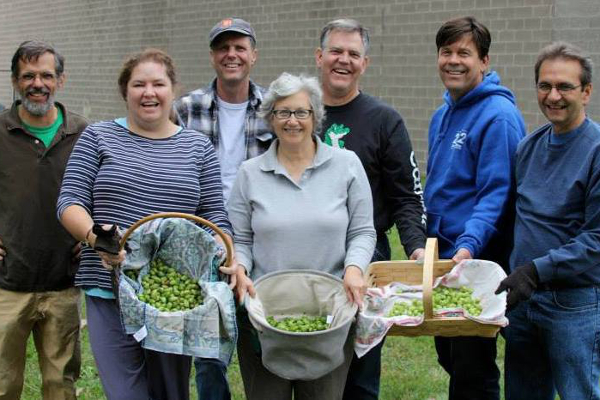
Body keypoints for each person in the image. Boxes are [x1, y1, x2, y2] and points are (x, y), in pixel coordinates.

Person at [57, 49, 235, 400]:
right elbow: (69, 202)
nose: (148, 92)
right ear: (125, 91)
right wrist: (98, 238)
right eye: (139, 84)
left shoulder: (197, 148)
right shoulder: (98, 137)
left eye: (158, 83)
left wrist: (232, 256)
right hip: (109, 288)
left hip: (173, 298)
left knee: (171, 391)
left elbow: (215, 214)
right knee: (124, 393)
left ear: (173, 90)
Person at [230, 72, 376, 400]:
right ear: (270, 118)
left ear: (315, 116)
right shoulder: (250, 173)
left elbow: (363, 230)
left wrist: (354, 268)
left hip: (330, 312)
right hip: (265, 316)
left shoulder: (347, 165)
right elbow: (240, 238)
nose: (292, 121)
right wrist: (239, 266)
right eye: (282, 112)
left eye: (301, 112)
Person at [314, 18, 427, 400]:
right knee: (310, 360)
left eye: (353, 54)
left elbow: (406, 196)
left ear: (365, 63)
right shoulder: (297, 116)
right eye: (336, 51)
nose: (343, 60)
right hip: (304, 252)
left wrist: (416, 247)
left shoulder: (384, 121)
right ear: (319, 57)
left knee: (360, 368)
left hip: (366, 253)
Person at [424, 16, 526, 400]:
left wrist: (467, 247)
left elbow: (495, 194)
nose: (453, 60)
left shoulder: (498, 117)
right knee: (450, 355)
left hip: (477, 259)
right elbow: (439, 185)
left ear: (484, 61)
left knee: (473, 368)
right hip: (445, 255)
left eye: (464, 53)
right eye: (446, 52)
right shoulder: (442, 114)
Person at [173, 17, 273, 400]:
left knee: (260, 335)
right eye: (223, 47)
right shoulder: (185, 109)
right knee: (208, 351)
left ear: (253, 56)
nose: (231, 54)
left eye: (240, 47)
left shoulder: (274, 109)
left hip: (258, 240)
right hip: (201, 241)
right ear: (213, 56)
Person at [496, 42, 600, 400]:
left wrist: (536, 270)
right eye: (544, 86)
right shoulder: (529, 146)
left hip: (574, 306)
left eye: (564, 87)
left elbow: (597, 239)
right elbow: (516, 219)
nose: (553, 96)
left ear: (586, 92)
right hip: (523, 300)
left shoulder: (597, 151)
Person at [0, 40, 87, 400]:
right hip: (7, 283)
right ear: (15, 82)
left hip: (62, 281)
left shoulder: (84, 134)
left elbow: (102, 192)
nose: (38, 83)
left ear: (60, 80)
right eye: (28, 76)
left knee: (59, 386)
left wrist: (90, 235)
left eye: (47, 75)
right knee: (3, 384)